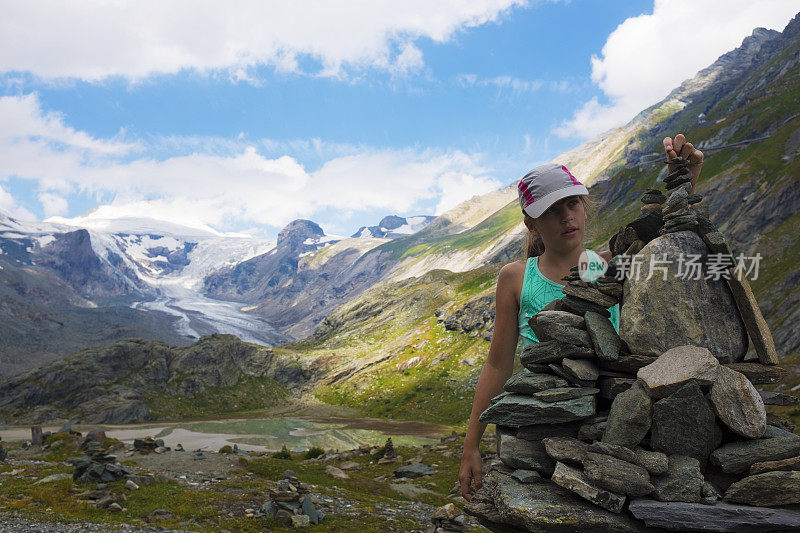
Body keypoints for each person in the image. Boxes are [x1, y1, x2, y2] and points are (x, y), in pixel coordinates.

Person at [458, 134, 704, 501]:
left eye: (572, 203)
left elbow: (663, 228)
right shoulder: (515, 277)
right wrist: (471, 446)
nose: (566, 216)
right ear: (531, 224)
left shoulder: (605, 266)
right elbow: (497, 364)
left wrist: (687, 170)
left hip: (606, 421)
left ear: (585, 207)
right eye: (551, 211)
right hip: (537, 427)